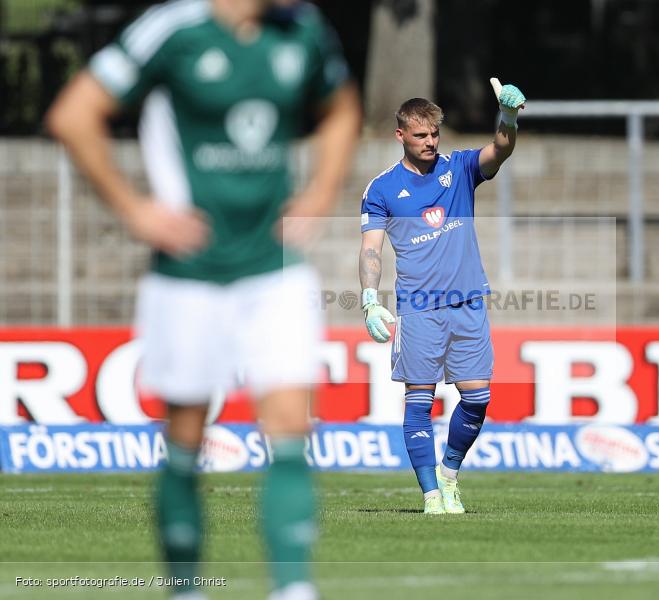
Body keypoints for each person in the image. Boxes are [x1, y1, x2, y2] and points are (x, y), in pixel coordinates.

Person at [46, 0, 362, 598]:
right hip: (188, 272)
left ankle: (294, 590)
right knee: (186, 437)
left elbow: (342, 108)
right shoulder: (174, 30)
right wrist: (134, 209)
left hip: (274, 267)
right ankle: (186, 587)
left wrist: (321, 192)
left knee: (292, 426)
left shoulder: (303, 31)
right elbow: (74, 114)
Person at [358, 78, 525, 514]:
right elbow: (371, 249)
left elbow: (500, 149)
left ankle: (450, 476)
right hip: (418, 308)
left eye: (435, 133)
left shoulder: (461, 169)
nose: (430, 142)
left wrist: (507, 118)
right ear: (401, 136)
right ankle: (431, 495)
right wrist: (369, 299)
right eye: (420, 135)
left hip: (468, 300)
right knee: (419, 398)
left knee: (477, 397)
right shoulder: (381, 189)